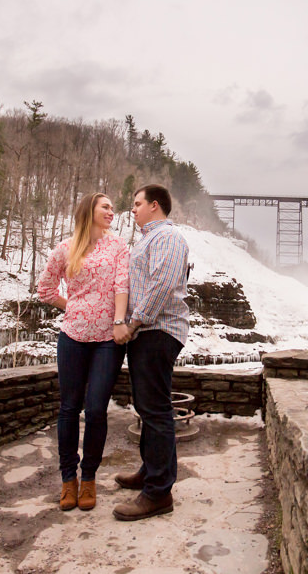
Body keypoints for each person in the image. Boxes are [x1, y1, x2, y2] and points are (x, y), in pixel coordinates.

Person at [36, 192, 129, 512]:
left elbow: (122, 286)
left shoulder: (117, 246)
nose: (111, 211)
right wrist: (73, 307)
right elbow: (44, 290)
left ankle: (88, 478)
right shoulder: (64, 249)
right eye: (105, 206)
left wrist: (118, 321)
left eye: (113, 208)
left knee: (96, 410)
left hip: (107, 340)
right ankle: (67, 480)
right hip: (72, 337)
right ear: (89, 210)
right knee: (68, 409)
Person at [112, 184, 190, 521]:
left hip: (156, 331)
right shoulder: (150, 239)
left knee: (155, 409)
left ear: (154, 206)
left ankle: (158, 493)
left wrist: (135, 322)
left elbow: (163, 283)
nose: (133, 209)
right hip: (148, 331)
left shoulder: (168, 237)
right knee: (149, 407)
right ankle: (151, 471)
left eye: (137, 203)